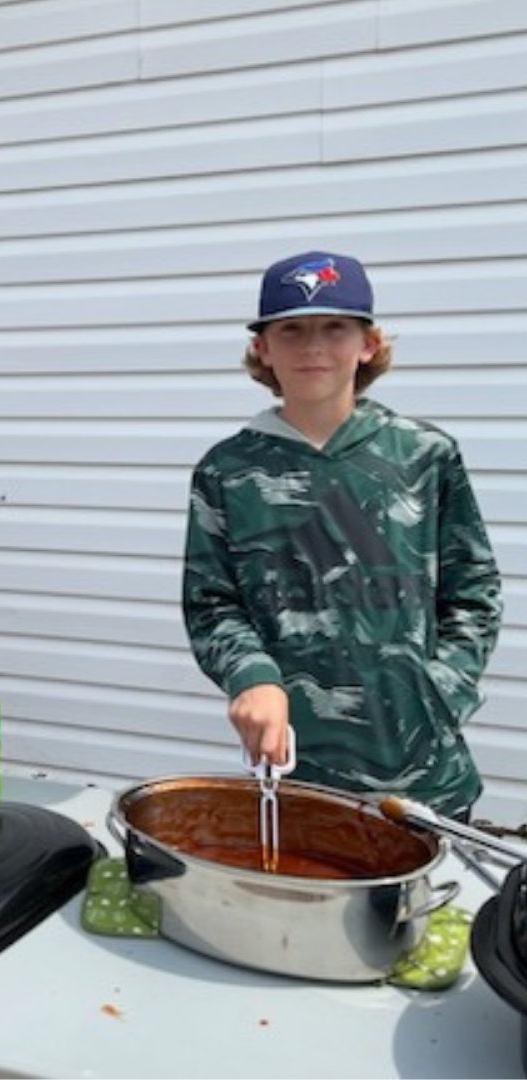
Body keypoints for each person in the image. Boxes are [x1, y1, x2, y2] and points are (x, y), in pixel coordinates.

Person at [182, 250, 502, 818]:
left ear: (369, 343)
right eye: (292, 329)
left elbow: (473, 589)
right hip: (298, 776)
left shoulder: (424, 456)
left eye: (335, 326)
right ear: (262, 348)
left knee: (432, 908)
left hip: (425, 780)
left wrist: (439, 691)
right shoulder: (227, 471)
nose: (313, 347)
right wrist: (250, 676)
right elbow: (212, 604)